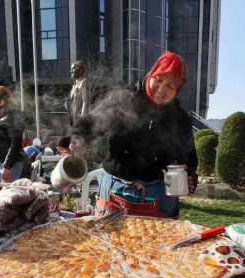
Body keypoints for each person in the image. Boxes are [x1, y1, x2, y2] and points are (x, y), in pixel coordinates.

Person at [71, 51, 198, 218]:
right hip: (116, 189)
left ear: (177, 90)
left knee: (161, 245)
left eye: (170, 86)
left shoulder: (180, 119)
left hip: (160, 196)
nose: (161, 89)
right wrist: (74, 140)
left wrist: (190, 178)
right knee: (106, 243)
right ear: (151, 74)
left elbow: (189, 160)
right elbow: (90, 124)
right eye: (159, 79)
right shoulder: (124, 99)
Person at [67, 61, 91, 126]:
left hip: (79, 118)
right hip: (72, 117)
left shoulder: (83, 82)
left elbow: (85, 101)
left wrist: (82, 117)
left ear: (80, 71)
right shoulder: (75, 83)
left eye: (73, 69)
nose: (70, 71)